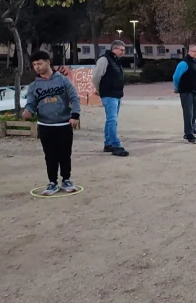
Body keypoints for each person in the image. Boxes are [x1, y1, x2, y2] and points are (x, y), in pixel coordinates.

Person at [22, 51, 82, 196]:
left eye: (39, 63)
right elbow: (31, 104)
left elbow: (74, 98)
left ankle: (66, 180)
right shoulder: (34, 86)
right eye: (34, 64)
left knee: (65, 154)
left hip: (63, 125)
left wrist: (75, 115)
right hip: (45, 125)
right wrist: (28, 112)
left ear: (48, 62)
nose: (37, 67)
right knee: (50, 155)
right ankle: (52, 182)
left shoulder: (63, 80)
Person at [92, 40, 129, 157]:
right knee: (112, 120)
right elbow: (96, 76)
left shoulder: (115, 61)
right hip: (109, 94)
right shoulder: (104, 60)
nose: (123, 52)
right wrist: (98, 90)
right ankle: (115, 145)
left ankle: (108, 143)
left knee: (111, 120)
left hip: (116, 94)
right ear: (114, 49)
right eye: (121, 50)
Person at [172, 45, 196, 144]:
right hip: (186, 91)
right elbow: (176, 77)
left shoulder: (195, 62)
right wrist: (177, 88)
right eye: (194, 51)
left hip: (195, 91)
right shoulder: (184, 63)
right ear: (189, 52)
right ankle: (188, 133)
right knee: (188, 113)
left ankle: (192, 130)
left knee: (194, 112)